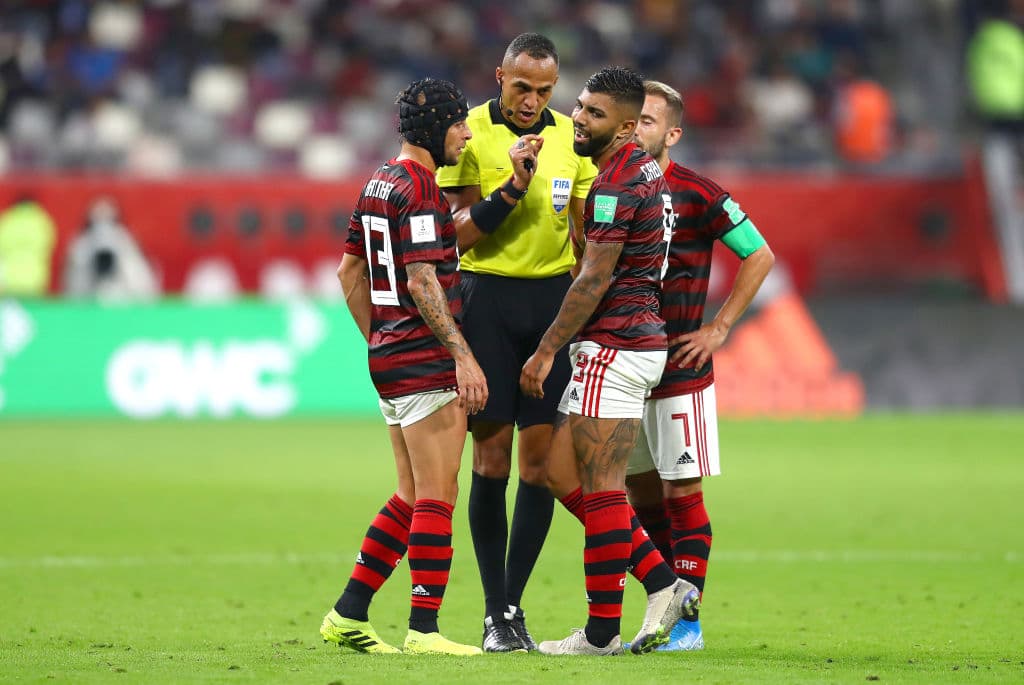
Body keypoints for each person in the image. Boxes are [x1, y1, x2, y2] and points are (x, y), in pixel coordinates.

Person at [519, 66, 699, 657]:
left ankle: (601, 635)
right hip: (633, 343)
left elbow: (594, 277)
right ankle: (661, 581)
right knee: (559, 474)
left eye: (593, 113)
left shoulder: (618, 182)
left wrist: (546, 350)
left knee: (599, 489)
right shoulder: (643, 171)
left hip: (615, 347)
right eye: (580, 106)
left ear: (625, 125)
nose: (577, 117)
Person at [436, 33, 598, 652]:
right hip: (488, 303)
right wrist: (512, 188)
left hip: (551, 307)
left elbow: (582, 235)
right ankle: (489, 613)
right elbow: (458, 237)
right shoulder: (469, 133)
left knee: (537, 467)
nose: (532, 101)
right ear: (499, 75)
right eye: (521, 86)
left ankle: (512, 609)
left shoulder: (572, 139)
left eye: (545, 90)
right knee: (492, 460)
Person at [320, 78, 487, 657]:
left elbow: (348, 274)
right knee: (438, 495)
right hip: (425, 361)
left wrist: (381, 339)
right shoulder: (417, 188)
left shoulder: (377, 183)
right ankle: (424, 630)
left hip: (390, 359)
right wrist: (461, 353)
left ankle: (348, 614)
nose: (467, 133)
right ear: (433, 127)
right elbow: (420, 279)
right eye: (459, 122)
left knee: (411, 494)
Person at [628, 80, 776, 651]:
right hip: (621, 365)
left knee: (680, 493)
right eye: (629, 118)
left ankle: (687, 624)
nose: (633, 128)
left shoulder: (698, 193)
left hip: (679, 369)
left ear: (672, 133)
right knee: (640, 495)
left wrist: (719, 327)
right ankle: (661, 610)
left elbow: (759, 255)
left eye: (645, 120)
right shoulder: (607, 186)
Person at [63, 196, 159, 301]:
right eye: (97, 220)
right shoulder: (80, 244)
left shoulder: (125, 241)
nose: (103, 226)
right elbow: (72, 286)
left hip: (122, 298)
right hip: (87, 299)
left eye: (109, 220)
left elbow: (141, 285)